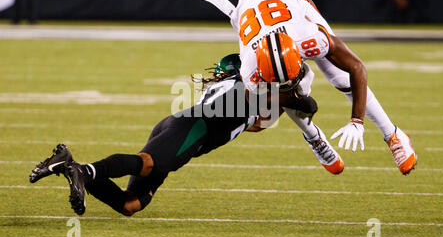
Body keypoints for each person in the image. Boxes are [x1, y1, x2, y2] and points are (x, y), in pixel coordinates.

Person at [28, 54, 321, 216]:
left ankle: (70, 164)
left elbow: (256, 123)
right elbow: (307, 105)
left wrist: (284, 97)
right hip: (192, 127)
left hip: (183, 128)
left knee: (131, 204)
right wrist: (300, 81)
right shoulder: (244, 89)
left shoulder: (249, 98)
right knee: (146, 162)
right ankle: (84, 171)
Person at [201, 0, 417, 175]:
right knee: (286, 92)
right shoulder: (250, 68)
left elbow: (356, 67)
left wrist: (356, 121)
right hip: (248, 14)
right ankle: (314, 138)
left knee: (339, 76)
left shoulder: (308, 37)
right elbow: (262, 120)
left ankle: (393, 134)